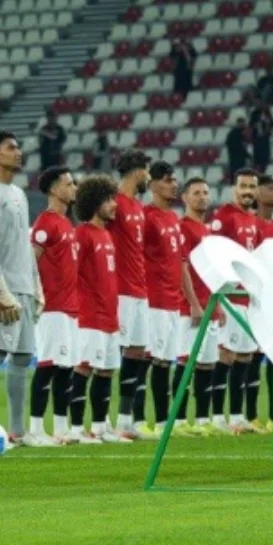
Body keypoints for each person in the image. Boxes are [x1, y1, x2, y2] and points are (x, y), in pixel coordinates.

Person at [0, 132, 43, 443]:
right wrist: (0, 291)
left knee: (22, 358)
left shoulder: (19, 193)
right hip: (3, 289)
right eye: (11, 147)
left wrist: (37, 284)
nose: (18, 152)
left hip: (25, 287)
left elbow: (25, 243)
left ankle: (18, 431)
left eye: (18, 147)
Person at [71, 174, 128, 442]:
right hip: (89, 316)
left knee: (106, 371)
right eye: (108, 200)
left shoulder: (106, 234)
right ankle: (75, 428)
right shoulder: (82, 234)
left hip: (109, 316)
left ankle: (99, 427)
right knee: (84, 369)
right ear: (94, 202)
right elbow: (71, 274)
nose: (115, 204)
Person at [27, 166, 80, 446]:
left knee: (65, 368)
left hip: (70, 308)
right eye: (69, 184)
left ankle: (60, 427)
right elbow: (30, 263)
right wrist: (36, 298)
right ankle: (35, 429)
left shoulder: (66, 223)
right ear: (54, 189)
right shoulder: (46, 223)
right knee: (47, 365)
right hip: (53, 308)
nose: (74, 188)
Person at [209, 168, 261, 434]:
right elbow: (214, 258)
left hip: (246, 296)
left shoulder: (251, 219)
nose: (248, 191)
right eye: (243, 186)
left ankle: (238, 416)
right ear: (234, 189)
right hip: (229, 296)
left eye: (252, 187)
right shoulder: (224, 217)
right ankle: (218, 417)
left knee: (245, 356)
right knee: (226, 354)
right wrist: (217, 299)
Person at [106, 149, 152, 440]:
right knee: (111, 354)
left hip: (139, 290)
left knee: (137, 352)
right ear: (137, 172)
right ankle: (98, 422)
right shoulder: (114, 203)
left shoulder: (137, 206)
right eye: (147, 171)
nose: (148, 177)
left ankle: (125, 420)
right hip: (120, 290)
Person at [175, 178, 225, 436]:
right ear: (185, 197)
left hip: (210, 305)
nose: (202, 197)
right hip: (192, 309)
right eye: (196, 193)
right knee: (187, 362)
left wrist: (220, 304)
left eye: (205, 192)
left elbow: (212, 271)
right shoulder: (183, 227)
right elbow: (182, 268)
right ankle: (179, 420)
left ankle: (203, 419)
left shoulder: (206, 230)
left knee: (207, 364)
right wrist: (194, 303)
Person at [140, 162, 186, 436]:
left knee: (165, 363)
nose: (174, 184)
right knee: (147, 361)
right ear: (153, 185)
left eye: (174, 179)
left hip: (172, 301)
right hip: (153, 300)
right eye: (168, 180)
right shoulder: (147, 217)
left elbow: (180, 263)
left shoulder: (172, 219)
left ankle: (161, 422)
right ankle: (135, 421)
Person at [251, 173, 273, 430]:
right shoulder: (253, 225)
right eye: (270, 188)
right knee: (251, 358)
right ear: (258, 195)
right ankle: (249, 415)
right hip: (254, 299)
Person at [250, 101, 273, 171]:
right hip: (257, 138)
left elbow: (272, 123)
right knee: (257, 156)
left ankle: (265, 169)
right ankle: (257, 168)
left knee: (265, 156)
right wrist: (256, 125)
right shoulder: (255, 113)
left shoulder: (267, 113)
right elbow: (251, 124)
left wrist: (268, 128)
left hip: (265, 138)